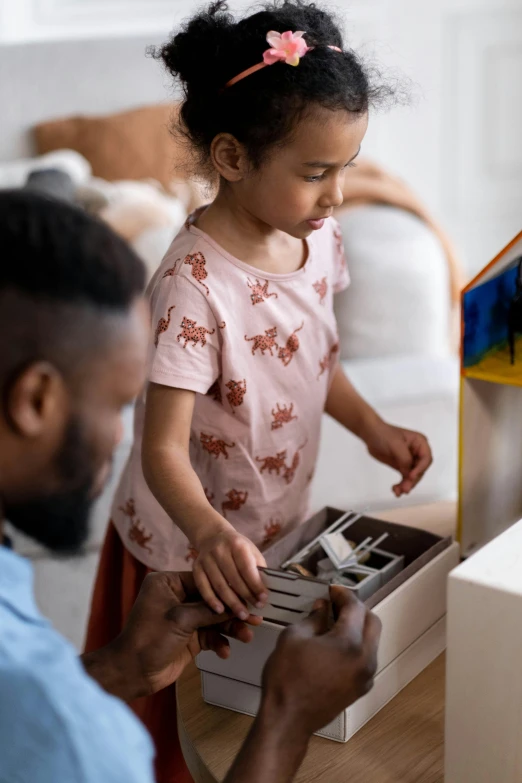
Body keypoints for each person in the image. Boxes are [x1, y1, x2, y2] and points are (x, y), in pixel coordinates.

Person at [85, 2, 433, 779]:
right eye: (315, 173)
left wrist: (372, 426)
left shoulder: (316, 238)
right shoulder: (190, 287)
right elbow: (159, 446)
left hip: (267, 521)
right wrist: (207, 533)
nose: (336, 195)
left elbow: (316, 357)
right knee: (160, 729)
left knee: (246, 686)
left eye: (344, 168)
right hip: (182, 546)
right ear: (233, 156)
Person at [0, 189, 381, 783]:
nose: (120, 441)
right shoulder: (72, 741)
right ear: (36, 401)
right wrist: (289, 714)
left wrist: (119, 668)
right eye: (119, 404)